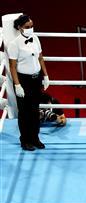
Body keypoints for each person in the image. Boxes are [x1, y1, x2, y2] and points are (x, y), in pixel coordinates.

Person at [7, 14, 50, 151]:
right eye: (27, 27)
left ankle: (35, 138)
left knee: (34, 110)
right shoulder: (14, 44)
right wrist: (17, 84)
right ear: (20, 28)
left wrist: (46, 75)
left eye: (31, 26)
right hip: (23, 81)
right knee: (24, 112)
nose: (30, 29)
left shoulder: (36, 38)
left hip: (36, 79)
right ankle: (25, 140)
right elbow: (12, 66)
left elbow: (41, 58)